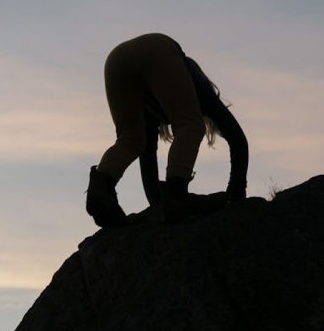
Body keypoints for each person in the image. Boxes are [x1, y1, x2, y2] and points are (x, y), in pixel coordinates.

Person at [85, 32, 248, 227]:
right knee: (190, 125)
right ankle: (178, 194)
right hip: (157, 47)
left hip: (115, 61)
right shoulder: (202, 92)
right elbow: (238, 139)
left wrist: (157, 204)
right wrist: (236, 193)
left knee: (130, 140)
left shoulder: (152, 106)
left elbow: (148, 160)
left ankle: (100, 192)